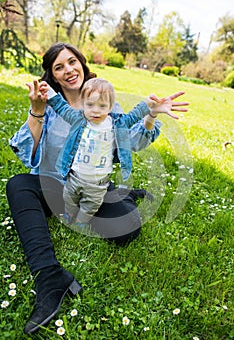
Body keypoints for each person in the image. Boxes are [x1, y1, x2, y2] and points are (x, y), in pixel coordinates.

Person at [6, 42, 188, 335]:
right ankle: (50, 277)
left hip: (92, 186)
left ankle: (119, 193)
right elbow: (29, 152)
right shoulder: (52, 107)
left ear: (81, 62)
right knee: (17, 185)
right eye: (59, 67)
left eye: (71, 62)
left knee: (127, 228)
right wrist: (36, 110)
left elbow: (131, 141)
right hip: (53, 184)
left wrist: (150, 115)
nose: (68, 70)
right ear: (52, 75)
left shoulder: (104, 102)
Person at [39, 77, 163, 231]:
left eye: (102, 105)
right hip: (75, 177)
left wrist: (148, 104)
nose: (95, 110)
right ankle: (69, 215)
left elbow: (134, 115)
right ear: (83, 104)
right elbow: (62, 108)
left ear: (111, 107)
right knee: (69, 199)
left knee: (90, 206)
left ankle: (80, 222)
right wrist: (49, 92)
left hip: (97, 184)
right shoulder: (78, 119)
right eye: (90, 105)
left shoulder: (116, 123)